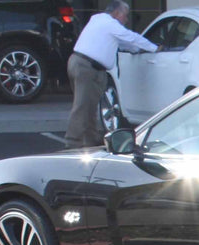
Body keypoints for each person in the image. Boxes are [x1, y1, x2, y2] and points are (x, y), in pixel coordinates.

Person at [64, 0, 157, 149]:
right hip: (86, 66)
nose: (126, 20)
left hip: (84, 64)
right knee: (82, 105)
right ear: (117, 13)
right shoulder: (109, 23)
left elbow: (124, 43)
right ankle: (72, 142)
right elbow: (131, 37)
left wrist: (138, 50)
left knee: (90, 104)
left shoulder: (99, 21)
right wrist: (154, 48)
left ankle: (90, 139)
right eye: (125, 15)